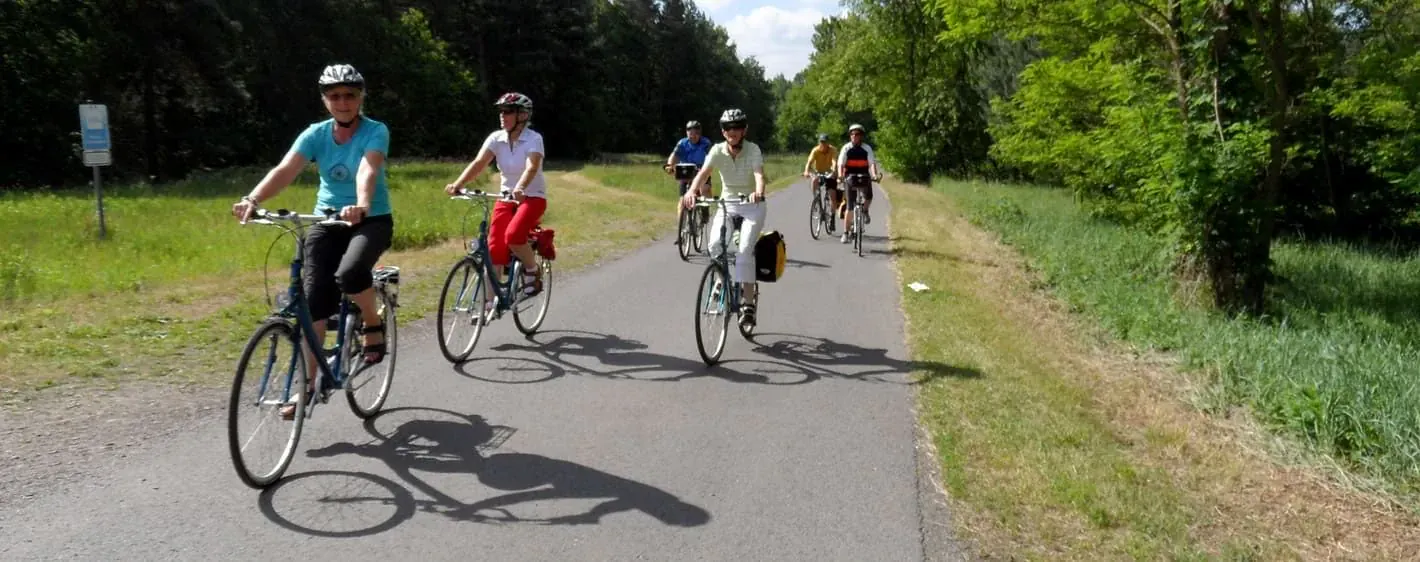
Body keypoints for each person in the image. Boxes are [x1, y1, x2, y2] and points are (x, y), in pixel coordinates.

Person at [230, 63, 393, 419]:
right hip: (326, 219)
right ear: (325, 100)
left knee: (350, 274)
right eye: (335, 96)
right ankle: (307, 387)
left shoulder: (375, 131)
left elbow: (369, 168)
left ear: (360, 97)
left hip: (371, 220)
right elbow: (286, 169)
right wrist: (253, 200)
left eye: (350, 95)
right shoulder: (316, 134)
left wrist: (362, 205)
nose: (343, 102)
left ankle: (372, 321)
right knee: (314, 297)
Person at [444, 92, 547, 314]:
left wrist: (520, 187)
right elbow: (479, 162)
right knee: (494, 247)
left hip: (532, 197)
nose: (503, 116)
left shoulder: (533, 139)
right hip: (505, 197)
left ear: (523, 115)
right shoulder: (496, 138)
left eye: (508, 111)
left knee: (513, 236)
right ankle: (490, 303)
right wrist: (458, 184)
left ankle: (532, 269)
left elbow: (532, 167)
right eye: (501, 111)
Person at [681, 108, 767, 330]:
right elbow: (703, 174)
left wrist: (757, 191)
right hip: (727, 204)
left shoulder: (753, 149)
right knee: (715, 245)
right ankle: (722, 280)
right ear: (723, 131)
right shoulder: (718, 150)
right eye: (729, 128)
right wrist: (691, 192)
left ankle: (748, 304)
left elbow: (758, 174)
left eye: (737, 127)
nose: (733, 132)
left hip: (751, 205)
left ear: (744, 129)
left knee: (744, 250)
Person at [663, 120, 713, 246]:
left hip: (701, 171)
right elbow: (674, 155)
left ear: (700, 133)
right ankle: (681, 234)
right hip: (685, 172)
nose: (693, 136)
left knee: (704, 189)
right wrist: (669, 165)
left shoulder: (706, 143)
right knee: (681, 202)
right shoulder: (682, 143)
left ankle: (705, 210)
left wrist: (706, 168)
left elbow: (710, 157)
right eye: (690, 133)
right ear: (687, 133)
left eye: (696, 133)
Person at [836, 123, 883, 243]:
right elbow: (841, 164)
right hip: (850, 177)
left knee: (869, 197)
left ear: (861, 136)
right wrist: (840, 176)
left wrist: (874, 175)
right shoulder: (846, 148)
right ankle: (846, 233)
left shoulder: (867, 148)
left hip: (864, 175)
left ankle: (865, 211)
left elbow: (871, 163)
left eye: (857, 134)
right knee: (850, 207)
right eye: (852, 134)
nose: (854, 136)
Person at [801, 133, 839, 220]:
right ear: (819, 142)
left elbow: (834, 161)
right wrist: (806, 171)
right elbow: (809, 162)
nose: (823, 144)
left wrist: (833, 171)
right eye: (821, 142)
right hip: (819, 172)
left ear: (828, 143)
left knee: (833, 196)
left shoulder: (833, 150)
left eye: (825, 142)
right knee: (814, 180)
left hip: (829, 173)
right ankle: (816, 199)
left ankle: (832, 217)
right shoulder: (815, 150)